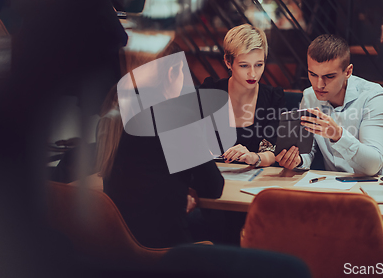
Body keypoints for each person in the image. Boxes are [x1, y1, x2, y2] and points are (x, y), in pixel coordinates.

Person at [102, 42, 224, 248]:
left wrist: (174, 197)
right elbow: (213, 187)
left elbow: (134, 181)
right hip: (166, 253)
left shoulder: (118, 108)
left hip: (119, 250)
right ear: (171, 73)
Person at [276, 34, 383, 175]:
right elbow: (308, 150)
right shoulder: (310, 96)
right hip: (336, 184)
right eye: (313, 74)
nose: (319, 85)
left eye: (329, 76)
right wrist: (297, 160)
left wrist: (338, 135)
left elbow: (373, 166)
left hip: (381, 186)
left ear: (348, 72)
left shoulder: (374, 98)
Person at [200, 24, 286, 167]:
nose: (253, 74)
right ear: (228, 62)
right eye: (244, 65)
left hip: (254, 178)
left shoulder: (273, 98)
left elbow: (272, 152)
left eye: (259, 65)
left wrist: (254, 157)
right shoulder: (210, 91)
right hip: (212, 176)